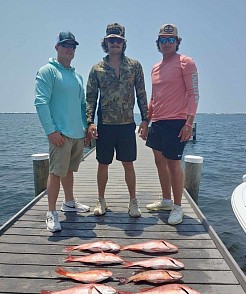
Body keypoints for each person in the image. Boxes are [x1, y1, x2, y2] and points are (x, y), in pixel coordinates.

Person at [86, 23, 148, 218]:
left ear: (124, 43)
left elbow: (141, 94)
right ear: (106, 42)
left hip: (127, 124)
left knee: (128, 164)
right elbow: (90, 98)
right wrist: (90, 122)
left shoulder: (135, 66)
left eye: (119, 40)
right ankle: (101, 200)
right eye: (112, 40)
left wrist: (146, 119)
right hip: (105, 125)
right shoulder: (97, 69)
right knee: (102, 164)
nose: (115, 43)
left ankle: (133, 201)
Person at [35, 31, 90, 233]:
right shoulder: (47, 71)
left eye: (73, 46)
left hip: (77, 133)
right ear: (57, 47)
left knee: (68, 170)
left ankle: (69, 202)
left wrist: (85, 129)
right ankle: (51, 212)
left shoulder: (77, 76)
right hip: (59, 134)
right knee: (56, 172)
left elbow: (82, 104)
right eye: (65, 45)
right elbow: (41, 102)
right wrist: (51, 131)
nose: (69, 49)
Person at [146, 23, 199, 225]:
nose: (166, 43)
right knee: (159, 162)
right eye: (163, 40)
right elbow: (154, 96)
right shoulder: (155, 67)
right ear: (158, 43)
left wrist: (189, 122)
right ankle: (166, 200)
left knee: (174, 165)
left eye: (170, 40)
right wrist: (147, 120)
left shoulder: (186, 62)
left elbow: (194, 93)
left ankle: (178, 206)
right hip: (157, 122)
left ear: (177, 42)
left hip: (177, 122)